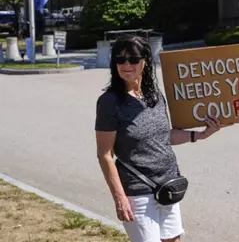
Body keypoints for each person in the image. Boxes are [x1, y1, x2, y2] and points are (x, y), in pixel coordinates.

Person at [95, 35, 223, 242]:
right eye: (120, 60)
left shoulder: (154, 95)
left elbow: (165, 135)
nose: (126, 65)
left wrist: (200, 134)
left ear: (145, 62)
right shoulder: (110, 102)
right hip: (137, 192)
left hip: (168, 185)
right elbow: (105, 155)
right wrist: (120, 198)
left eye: (133, 59)